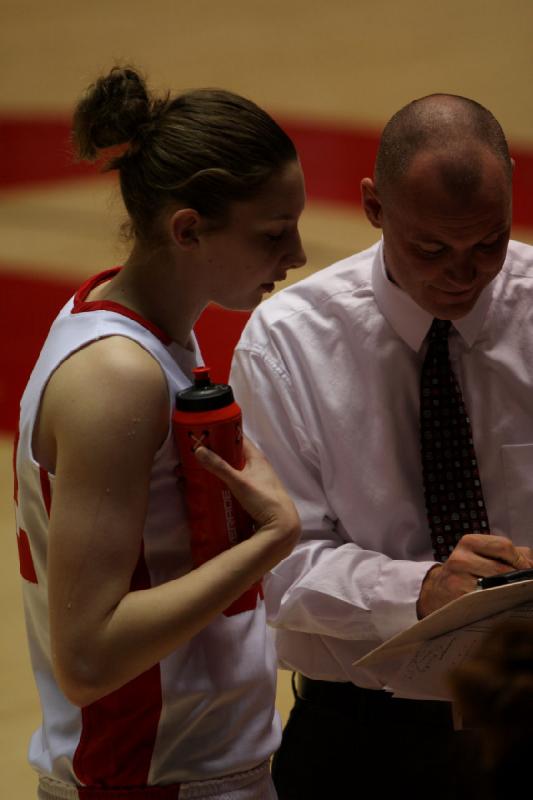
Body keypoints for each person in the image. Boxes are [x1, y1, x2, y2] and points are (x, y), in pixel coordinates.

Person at [13, 65, 307, 800]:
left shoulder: (154, 331)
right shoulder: (116, 378)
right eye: (274, 234)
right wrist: (270, 542)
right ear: (187, 229)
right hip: (150, 781)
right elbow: (88, 655)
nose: (296, 257)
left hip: (195, 770)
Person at [229, 93, 533, 799]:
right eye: (430, 248)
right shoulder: (286, 343)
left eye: (487, 241)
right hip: (365, 740)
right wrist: (419, 589)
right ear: (372, 206)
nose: (463, 271)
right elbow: (270, 564)